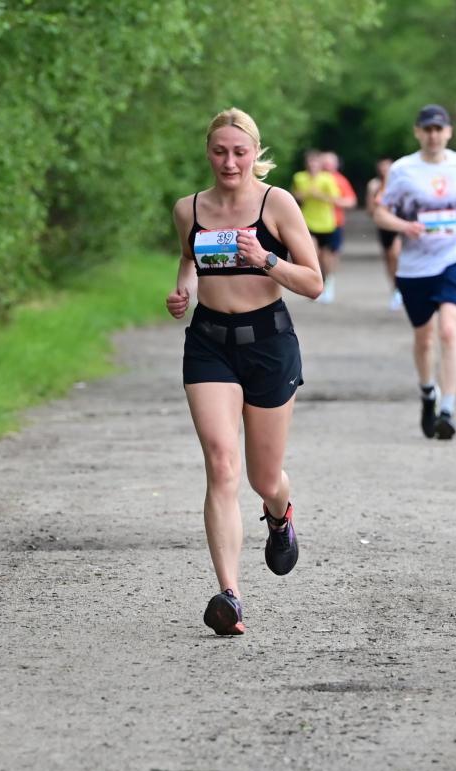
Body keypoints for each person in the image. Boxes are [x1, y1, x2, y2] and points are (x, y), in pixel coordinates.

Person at [166, 108, 324, 636]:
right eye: (220, 151)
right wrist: (183, 291)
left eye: (239, 152)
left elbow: (314, 282)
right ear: (208, 153)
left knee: (263, 478)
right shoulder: (189, 209)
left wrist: (266, 260)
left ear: (255, 153)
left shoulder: (276, 203)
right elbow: (189, 259)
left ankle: (279, 514)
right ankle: (229, 596)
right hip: (209, 344)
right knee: (220, 463)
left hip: (269, 344)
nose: (229, 161)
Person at [372, 104, 456, 440]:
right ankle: (428, 391)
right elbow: (381, 213)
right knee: (424, 337)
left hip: (455, 257)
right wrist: (404, 226)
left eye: (439, 129)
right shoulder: (403, 170)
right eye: (427, 130)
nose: (433, 136)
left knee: (448, 330)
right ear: (418, 132)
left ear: (449, 132)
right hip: (415, 266)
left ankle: (447, 409)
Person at [291, 150, 341, 303]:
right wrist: (305, 194)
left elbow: (336, 199)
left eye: (315, 162)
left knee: (326, 257)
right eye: (310, 162)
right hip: (308, 222)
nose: (312, 165)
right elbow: (294, 196)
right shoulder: (299, 177)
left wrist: (320, 195)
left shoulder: (327, 178)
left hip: (326, 223)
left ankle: (329, 282)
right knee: (314, 253)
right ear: (306, 164)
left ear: (320, 164)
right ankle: (317, 284)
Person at [366, 156, 403, 310]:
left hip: (398, 225)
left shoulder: (400, 183)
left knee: (395, 254)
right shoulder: (374, 185)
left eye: (388, 167)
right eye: (382, 167)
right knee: (389, 259)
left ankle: (401, 286)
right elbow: (370, 210)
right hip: (383, 226)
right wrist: (380, 210)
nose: (385, 170)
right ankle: (395, 288)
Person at [320, 151, 357, 301]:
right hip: (313, 223)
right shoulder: (312, 178)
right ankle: (321, 283)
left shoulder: (340, 180)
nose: (327, 165)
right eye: (325, 162)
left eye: (330, 163)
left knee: (330, 254)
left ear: (336, 164)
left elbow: (351, 201)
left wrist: (332, 200)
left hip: (335, 222)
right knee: (317, 254)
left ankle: (329, 283)